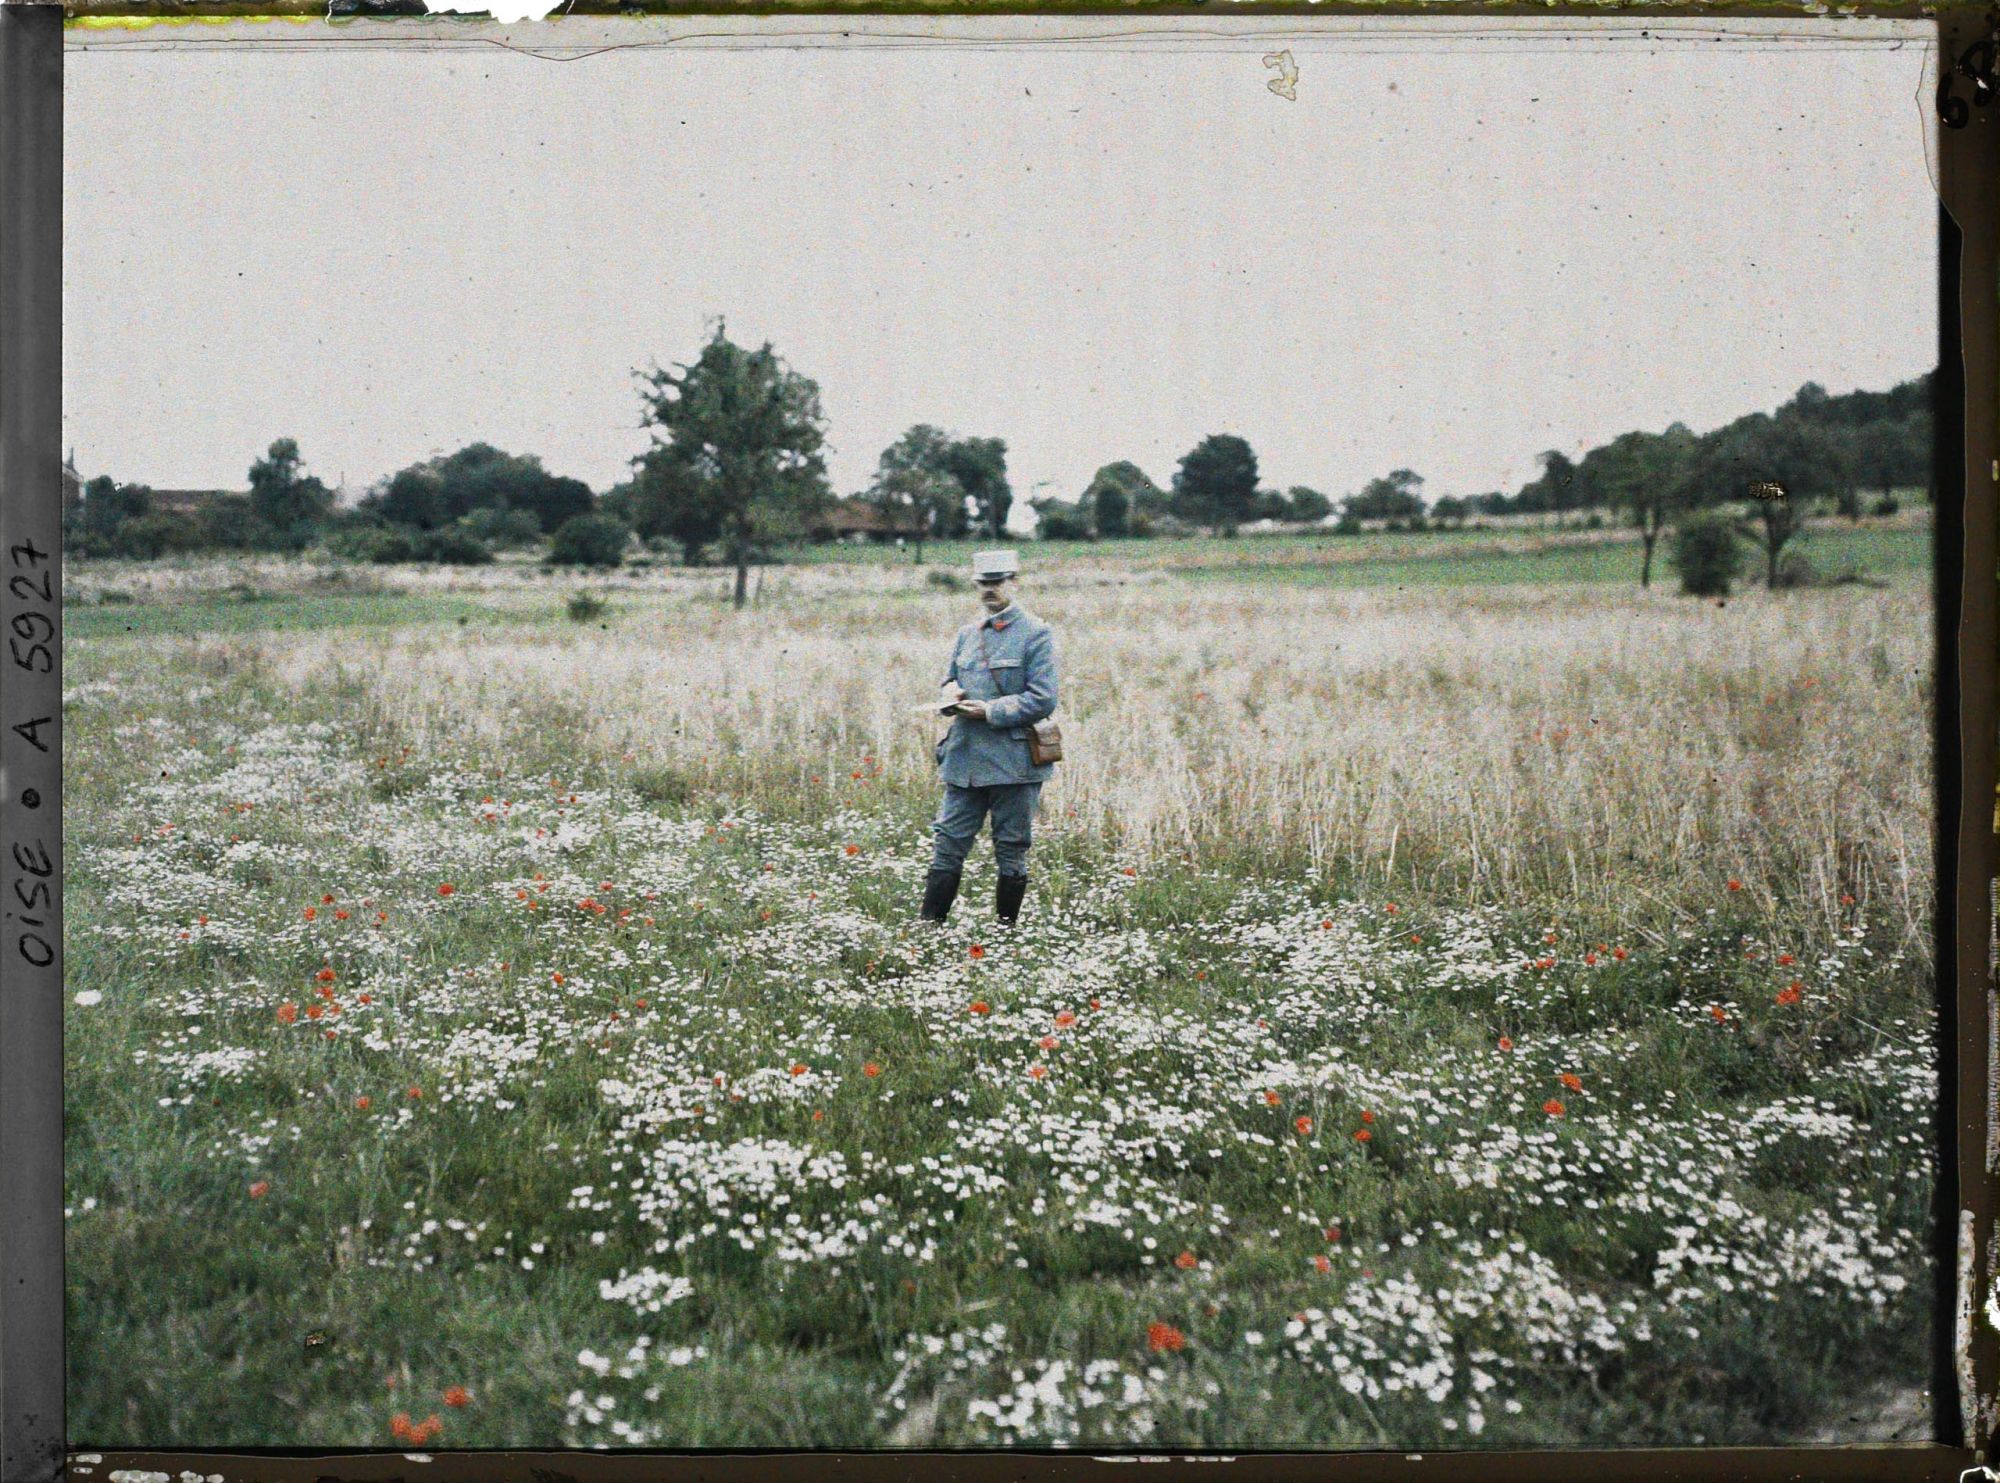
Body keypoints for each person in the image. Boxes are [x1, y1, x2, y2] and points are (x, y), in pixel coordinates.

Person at [920, 549, 1059, 926]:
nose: (990, 590)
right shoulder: (967, 635)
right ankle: (928, 930)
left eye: (997, 581)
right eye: (983, 583)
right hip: (964, 760)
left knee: (1011, 850)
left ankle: (1004, 934)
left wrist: (991, 711)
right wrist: (950, 697)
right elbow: (950, 679)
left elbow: (1044, 698)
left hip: (1013, 765)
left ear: (1014, 581)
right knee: (947, 845)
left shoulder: (1036, 634)